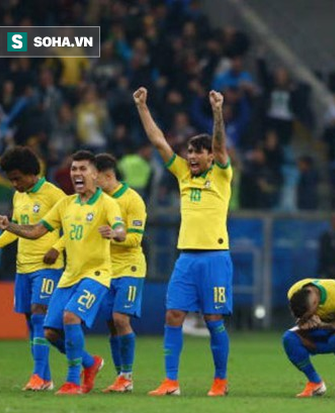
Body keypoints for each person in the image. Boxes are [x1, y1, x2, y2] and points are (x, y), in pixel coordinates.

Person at [0, 150, 126, 395]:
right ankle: (90, 363)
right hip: (69, 276)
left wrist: (115, 233)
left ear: (96, 175)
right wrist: (8, 226)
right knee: (50, 332)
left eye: (83, 169)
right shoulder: (66, 204)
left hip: (96, 274)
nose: (77, 173)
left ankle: (72, 381)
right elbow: (34, 231)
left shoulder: (108, 203)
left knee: (70, 317)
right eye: (74, 169)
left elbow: (120, 229)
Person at [134, 87, 233, 397]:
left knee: (213, 319)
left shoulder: (220, 175)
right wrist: (142, 107)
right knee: (173, 315)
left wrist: (217, 112)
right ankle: (171, 382)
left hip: (215, 257)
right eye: (189, 152)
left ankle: (220, 380)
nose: (190, 157)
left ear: (209, 157)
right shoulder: (182, 175)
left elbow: (220, 144)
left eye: (196, 152)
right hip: (186, 259)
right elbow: (158, 141)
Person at [0, 147, 66, 391]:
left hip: (47, 266)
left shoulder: (55, 195)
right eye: (11, 179)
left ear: (33, 173)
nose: (14, 183)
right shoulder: (19, 196)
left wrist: (58, 247)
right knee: (32, 320)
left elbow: (75, 229)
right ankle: (73, 364)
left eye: (17, 178)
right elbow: (16, 229)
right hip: (24, 267)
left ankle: (37, 376)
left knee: (39, 311)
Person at [94, 153, 147, 393]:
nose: (92, 183)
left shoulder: (132, 199)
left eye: (95, 178)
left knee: (120, 319)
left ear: (107, 176)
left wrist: (116, 235)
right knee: (111, 324)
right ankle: (120, 378)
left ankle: (127, 376)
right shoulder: (96, 201)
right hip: (105, 269)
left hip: (130, 267)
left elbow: (136, 238)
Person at [282, 278, 335, 398]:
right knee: (290, 338)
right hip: (324, 330)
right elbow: (300, 316)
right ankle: (315, 382)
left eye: (308, 314)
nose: (307, 316)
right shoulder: (294, 291)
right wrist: (303, 322)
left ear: (315, 303)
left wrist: (322, 325)